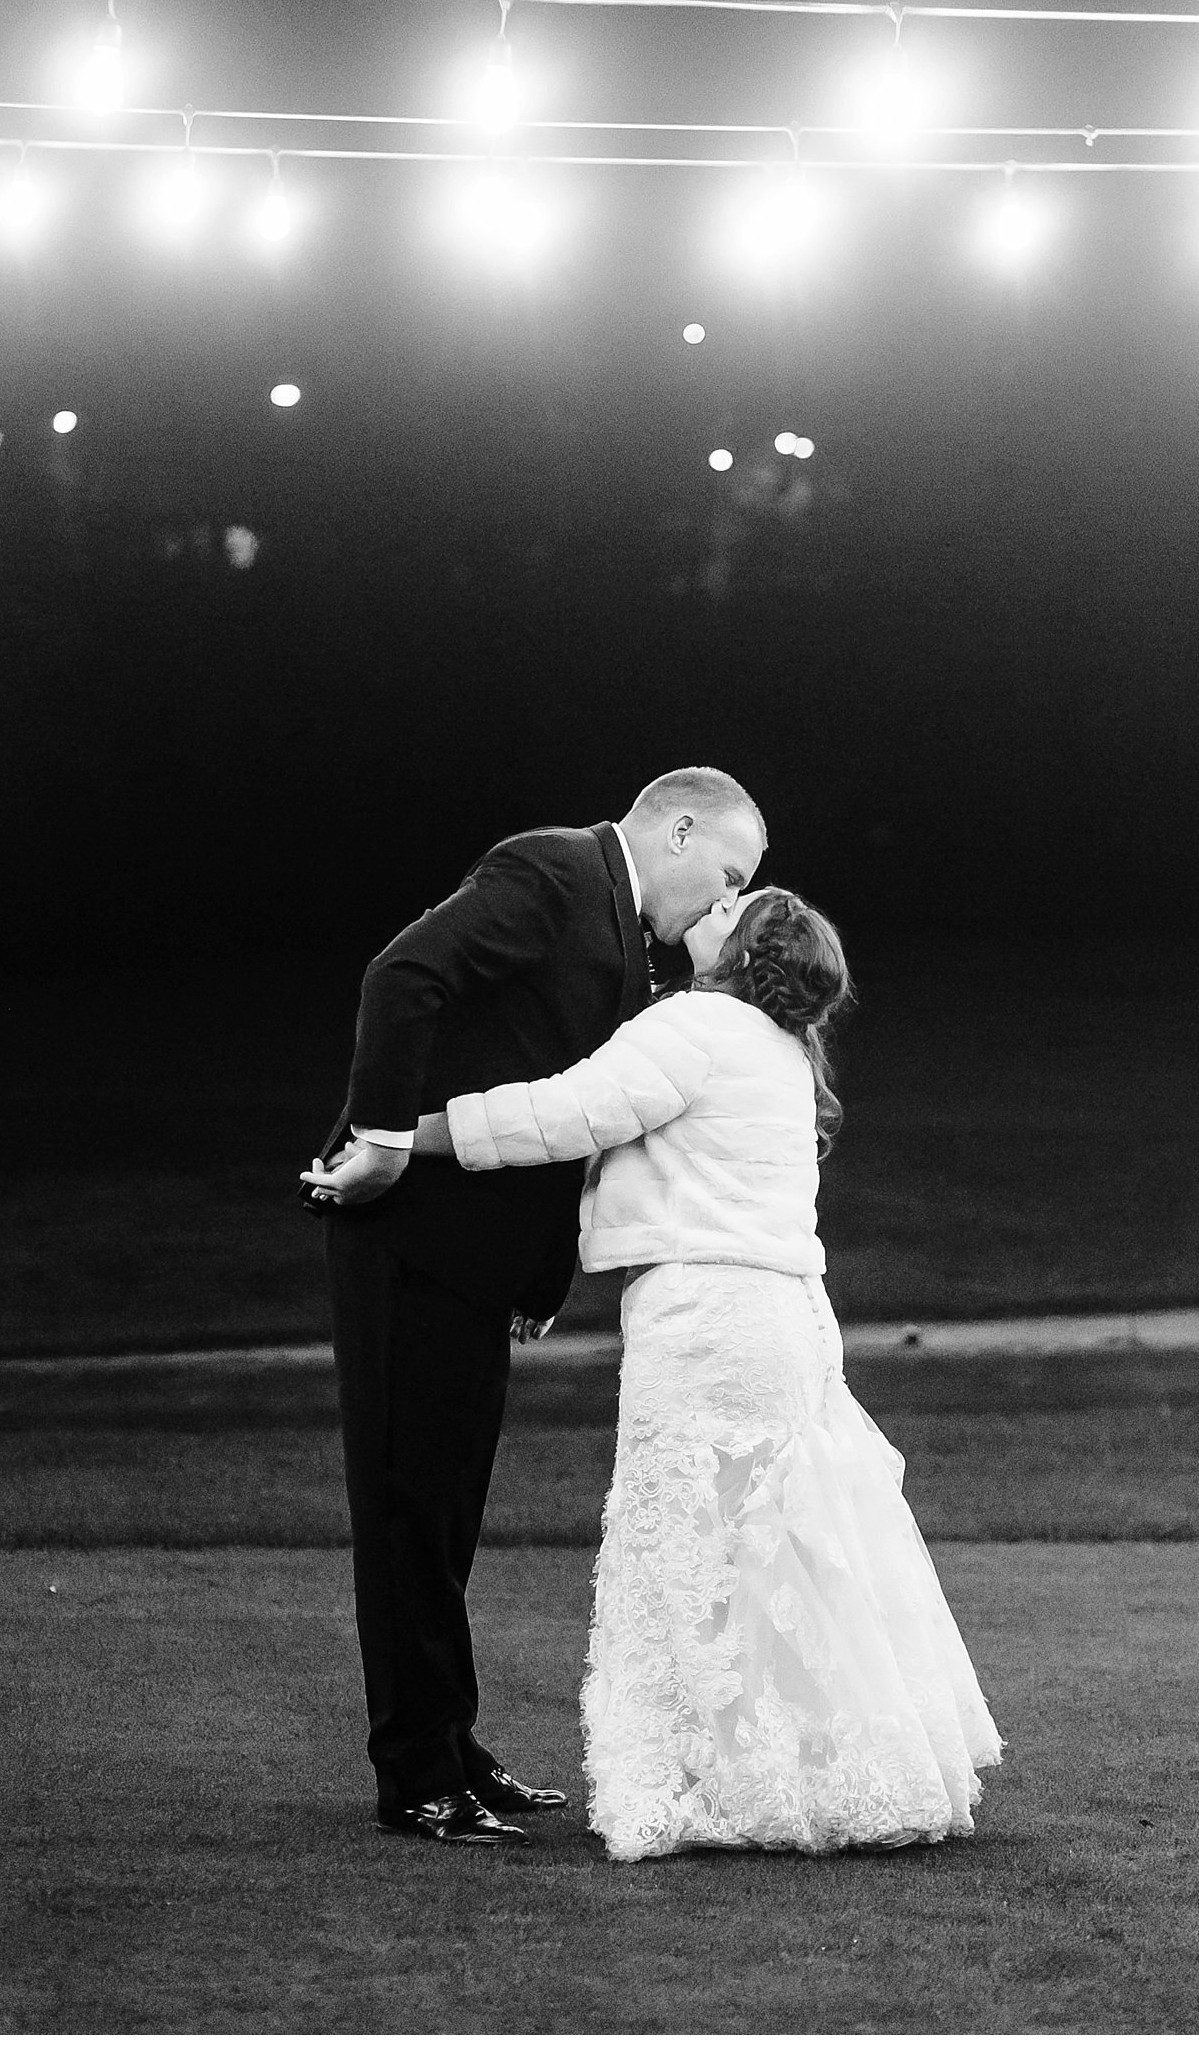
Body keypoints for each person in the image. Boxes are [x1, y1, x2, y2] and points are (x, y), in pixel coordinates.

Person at [319, 885, 1001, 1860]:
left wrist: (406, 1134)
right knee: (782, 1545)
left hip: (712, 1324)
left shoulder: (700, 1026)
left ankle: (742, 1781)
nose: (710, 906)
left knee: (695, 1552)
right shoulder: (781, 1049)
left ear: (745, 949)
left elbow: (564, 1116)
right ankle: (821, 1763)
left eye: (733, 903)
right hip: (792, 1321)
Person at [301, 768, 768, 1845]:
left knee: (449, 1510)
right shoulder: (553, 868)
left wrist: (540, 1275)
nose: (724, 903)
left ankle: (452, 1745)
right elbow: (400, 974)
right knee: (409, 1509)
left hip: (477, 1265)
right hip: (409, 1242)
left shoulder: (625, 936)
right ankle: (415, 1773)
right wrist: (376, 1144)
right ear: (680, 827)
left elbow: (569, 1113)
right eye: (728, 875)